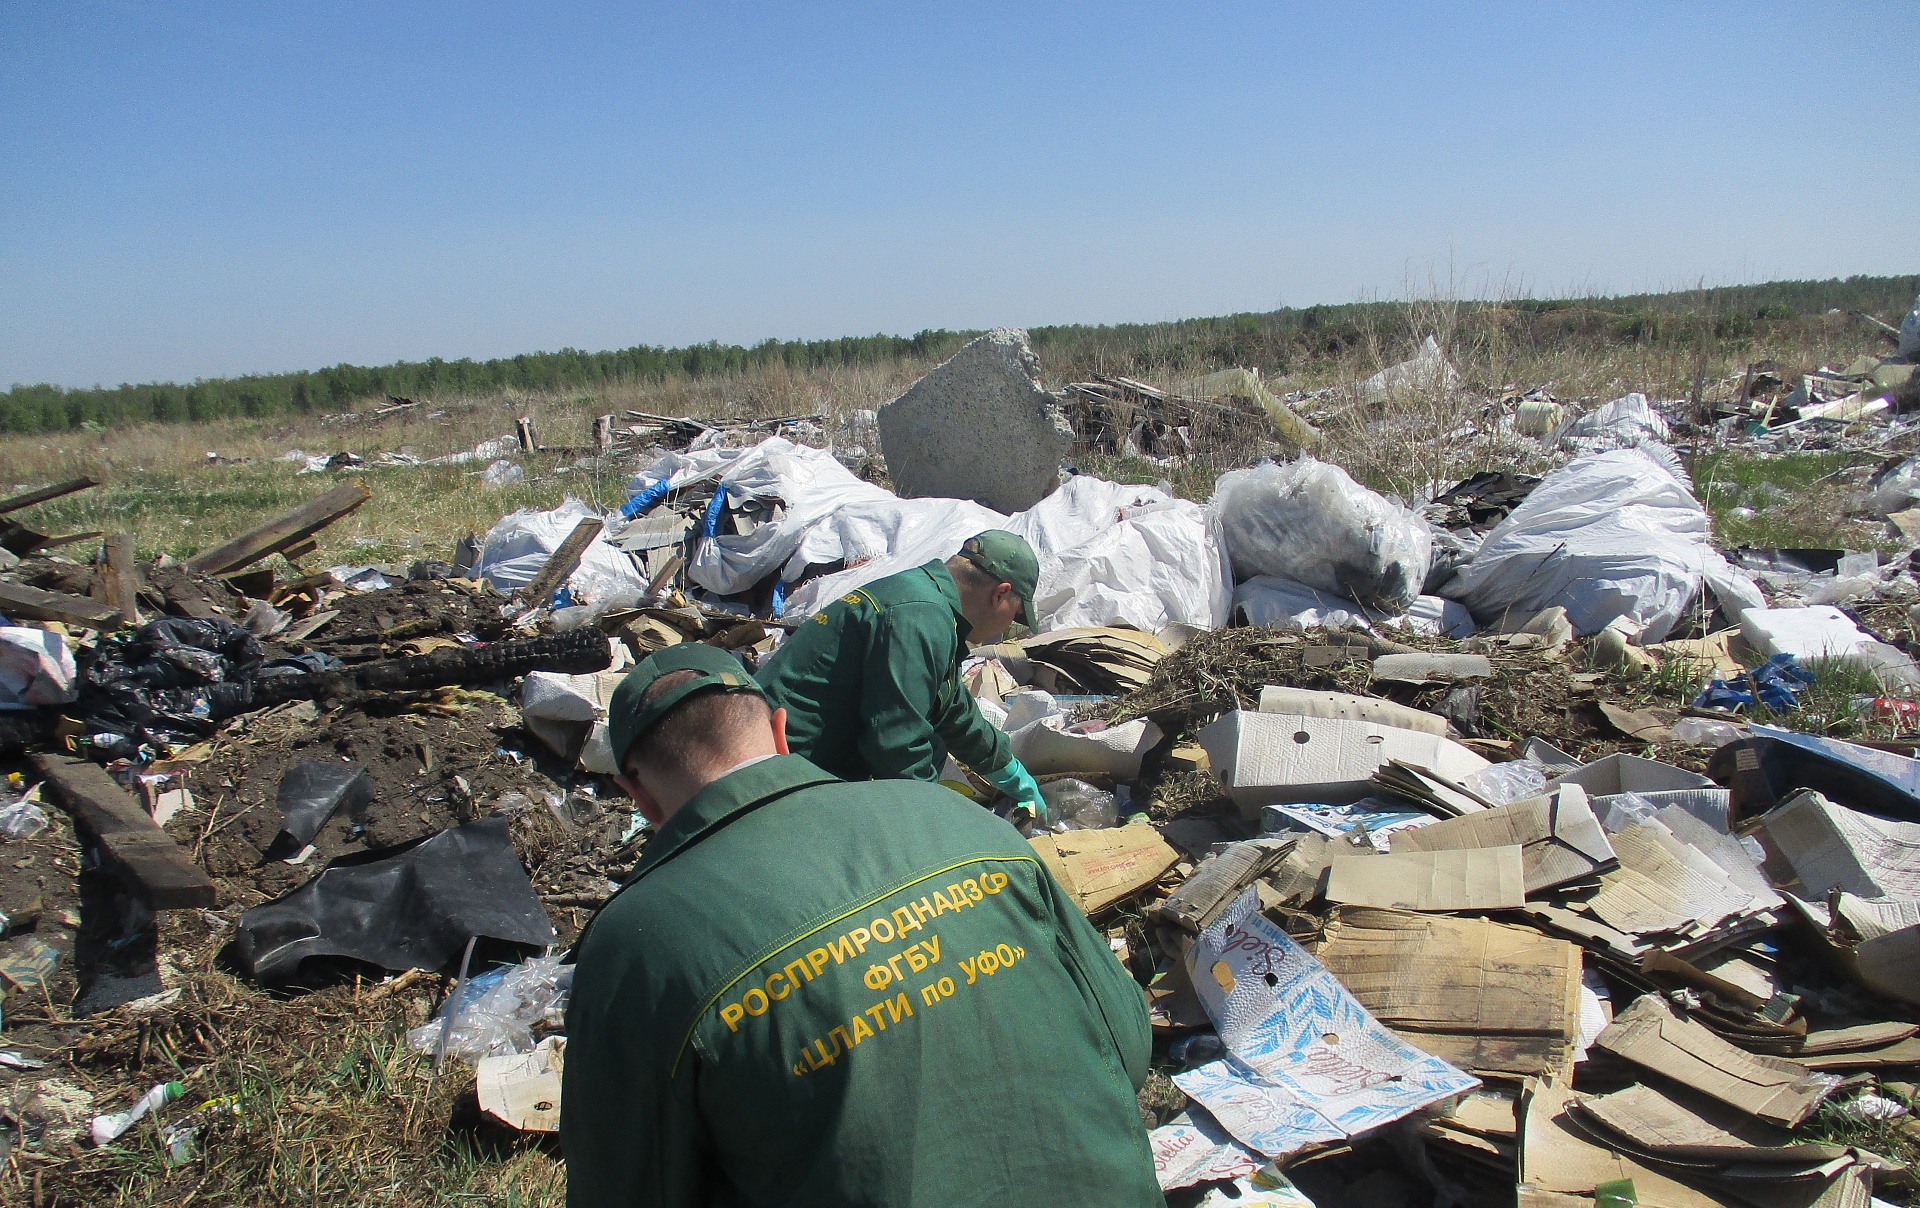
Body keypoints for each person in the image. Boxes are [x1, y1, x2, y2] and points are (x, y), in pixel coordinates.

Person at [562, 644, 1160, 1208]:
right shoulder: (957, 816)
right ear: (778, 729)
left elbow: (626, 1187)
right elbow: (1129, 1043)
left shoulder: (635, 943)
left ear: (634, 793)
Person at [753, 529, 1049, 820]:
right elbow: (897, 744)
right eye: (1016, 616)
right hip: (782, 770)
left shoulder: (926, 600)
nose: (1007, 629)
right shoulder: (921, 617)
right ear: (1000, 594)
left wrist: (1008, 769)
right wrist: (930, 826)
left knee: (934, 746)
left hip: (802, 754)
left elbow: (949, 708)